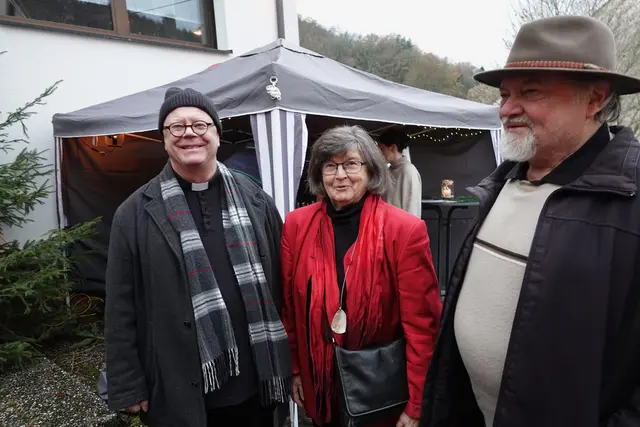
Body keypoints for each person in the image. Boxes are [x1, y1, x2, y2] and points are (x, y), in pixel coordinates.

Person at [420, 15, 640, 427]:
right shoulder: (500, 182)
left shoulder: (630, 199)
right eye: (504, 94)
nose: (506, 109)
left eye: (530, 91)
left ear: (595, 98)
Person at [105, 87, 291, 427]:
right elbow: (120, 306)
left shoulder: (256, 200)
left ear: (217, 135)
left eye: (200, 125)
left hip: (257, 384)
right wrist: (127, 382)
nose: (189, 133)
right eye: (176, 126)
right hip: (180, 387)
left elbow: (284, 284)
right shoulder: (133, 214)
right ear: (164, 140)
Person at [281, 125, 442, 427]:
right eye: (330, 166)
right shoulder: (296, 225)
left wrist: (417, 404)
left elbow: (423, 327)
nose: (340, 175)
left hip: (381, 392)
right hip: (320, 384)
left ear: (371, 171)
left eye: (351, 164)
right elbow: (289, 307)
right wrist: (296, 369)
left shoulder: (404, 230)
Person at [377, 128, 423, 217]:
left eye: (382, 149)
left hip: (402, 224)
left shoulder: (408, 171)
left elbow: (411, 209)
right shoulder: (389, 170)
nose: (380, 153)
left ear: (393, 147)